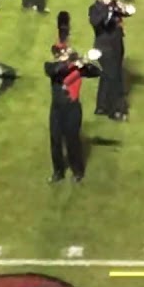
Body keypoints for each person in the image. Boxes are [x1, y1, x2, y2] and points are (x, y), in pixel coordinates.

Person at [46, 12, 101, 184]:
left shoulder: (77, 67)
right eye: (61, 55)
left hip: (72, 108)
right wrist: (72, 64)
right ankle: (58, 172)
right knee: (55, 141)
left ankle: (78, 170)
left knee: (72, 140)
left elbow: (96, 72)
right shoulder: (51, 66)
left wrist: (85, 64)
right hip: (56, 109)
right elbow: (57, 71)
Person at [88, 0, 133, 121]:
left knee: (107, 75)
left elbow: (124, 13)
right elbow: (98, 22)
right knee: (115, 77)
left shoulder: (113, 5)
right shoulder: (94, 9)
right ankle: (116, 110)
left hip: (117, 44)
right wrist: (110, 10)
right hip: (104, 48)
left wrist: (126, 10)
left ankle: (101, 105)